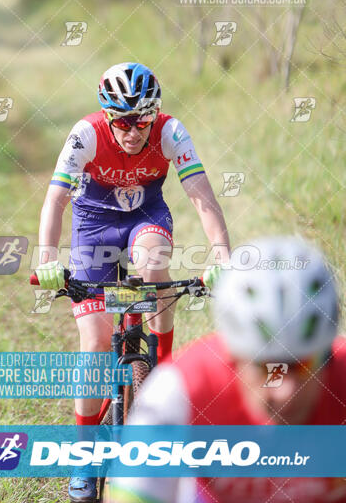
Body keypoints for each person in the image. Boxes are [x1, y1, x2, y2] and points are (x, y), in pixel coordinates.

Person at [35, 62, 230, 501]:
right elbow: (55, 199)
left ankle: (160, 365)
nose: (132, 131)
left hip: (146, 219)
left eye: (141, 120)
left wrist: (222, 257)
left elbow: (202, 197)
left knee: (154, 263)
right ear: (106, 116)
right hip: (93, 226)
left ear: (154, 114)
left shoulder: (171, 132)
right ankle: (84, 457)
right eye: (121, 122)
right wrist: (46, 258)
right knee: (94, 342)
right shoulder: (85, 134)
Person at [109, 236, 346, 503]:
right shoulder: (179, 391)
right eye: (266, 367)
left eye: (304, 365)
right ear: (233, 356)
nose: (285, 391)